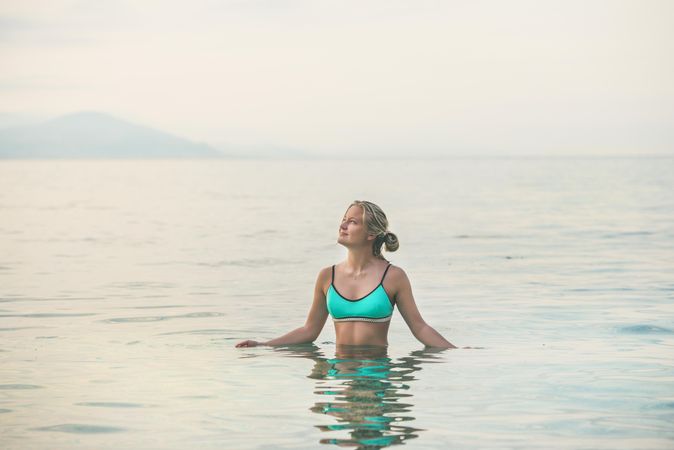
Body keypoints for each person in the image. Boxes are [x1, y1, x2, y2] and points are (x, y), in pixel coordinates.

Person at [235, 200, 456, 349]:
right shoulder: (326, 277)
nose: (343, 225)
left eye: (353, 222)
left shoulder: (393, 277)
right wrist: (264, 346)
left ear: (371, 233)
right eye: (344, 219)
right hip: (339, 374)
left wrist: (457, 351)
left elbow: (419, 327)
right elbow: (310, 330)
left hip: (377, 373)